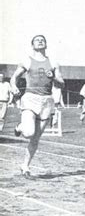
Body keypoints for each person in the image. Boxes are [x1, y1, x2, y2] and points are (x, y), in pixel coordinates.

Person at [10, 35, 65, 176]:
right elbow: (14, 77)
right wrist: (13, 86)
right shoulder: (26, 61)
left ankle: (25, 166)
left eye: (43, 40)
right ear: (32, 45)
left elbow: (61, 83)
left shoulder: (53, 62)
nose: (40, 41)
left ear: (46, 45)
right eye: (37, 40)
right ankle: (20, 127)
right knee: (28, 132)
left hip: (46, 100)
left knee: (35, 138)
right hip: (30, 98)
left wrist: (53, 77)